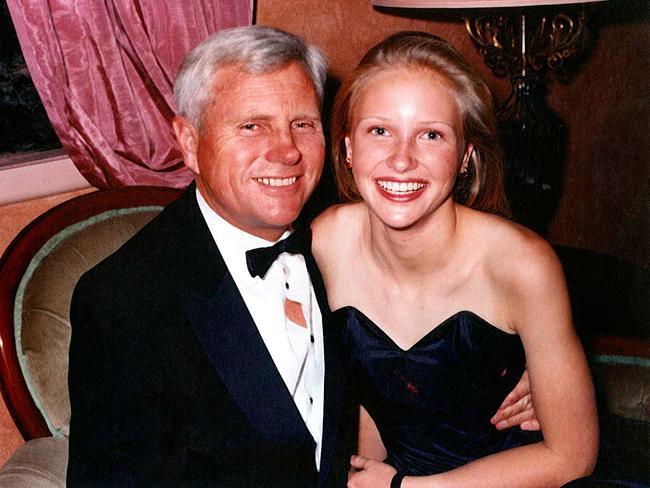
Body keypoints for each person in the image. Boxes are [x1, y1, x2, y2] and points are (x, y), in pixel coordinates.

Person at [67, 26, 536, 487]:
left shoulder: (338, 237)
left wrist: (514, 365)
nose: (286, 151)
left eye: (303, 125)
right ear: (189, 142)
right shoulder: (123, 300)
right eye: (252, 126)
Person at [312, 31, 598, 487]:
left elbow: (573, 455)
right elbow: (370, 392)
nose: (401, 160)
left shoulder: (522, 264)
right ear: (347, 148)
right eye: (379, 131)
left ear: (465, 156)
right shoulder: (324, 244)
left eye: (431, 135)